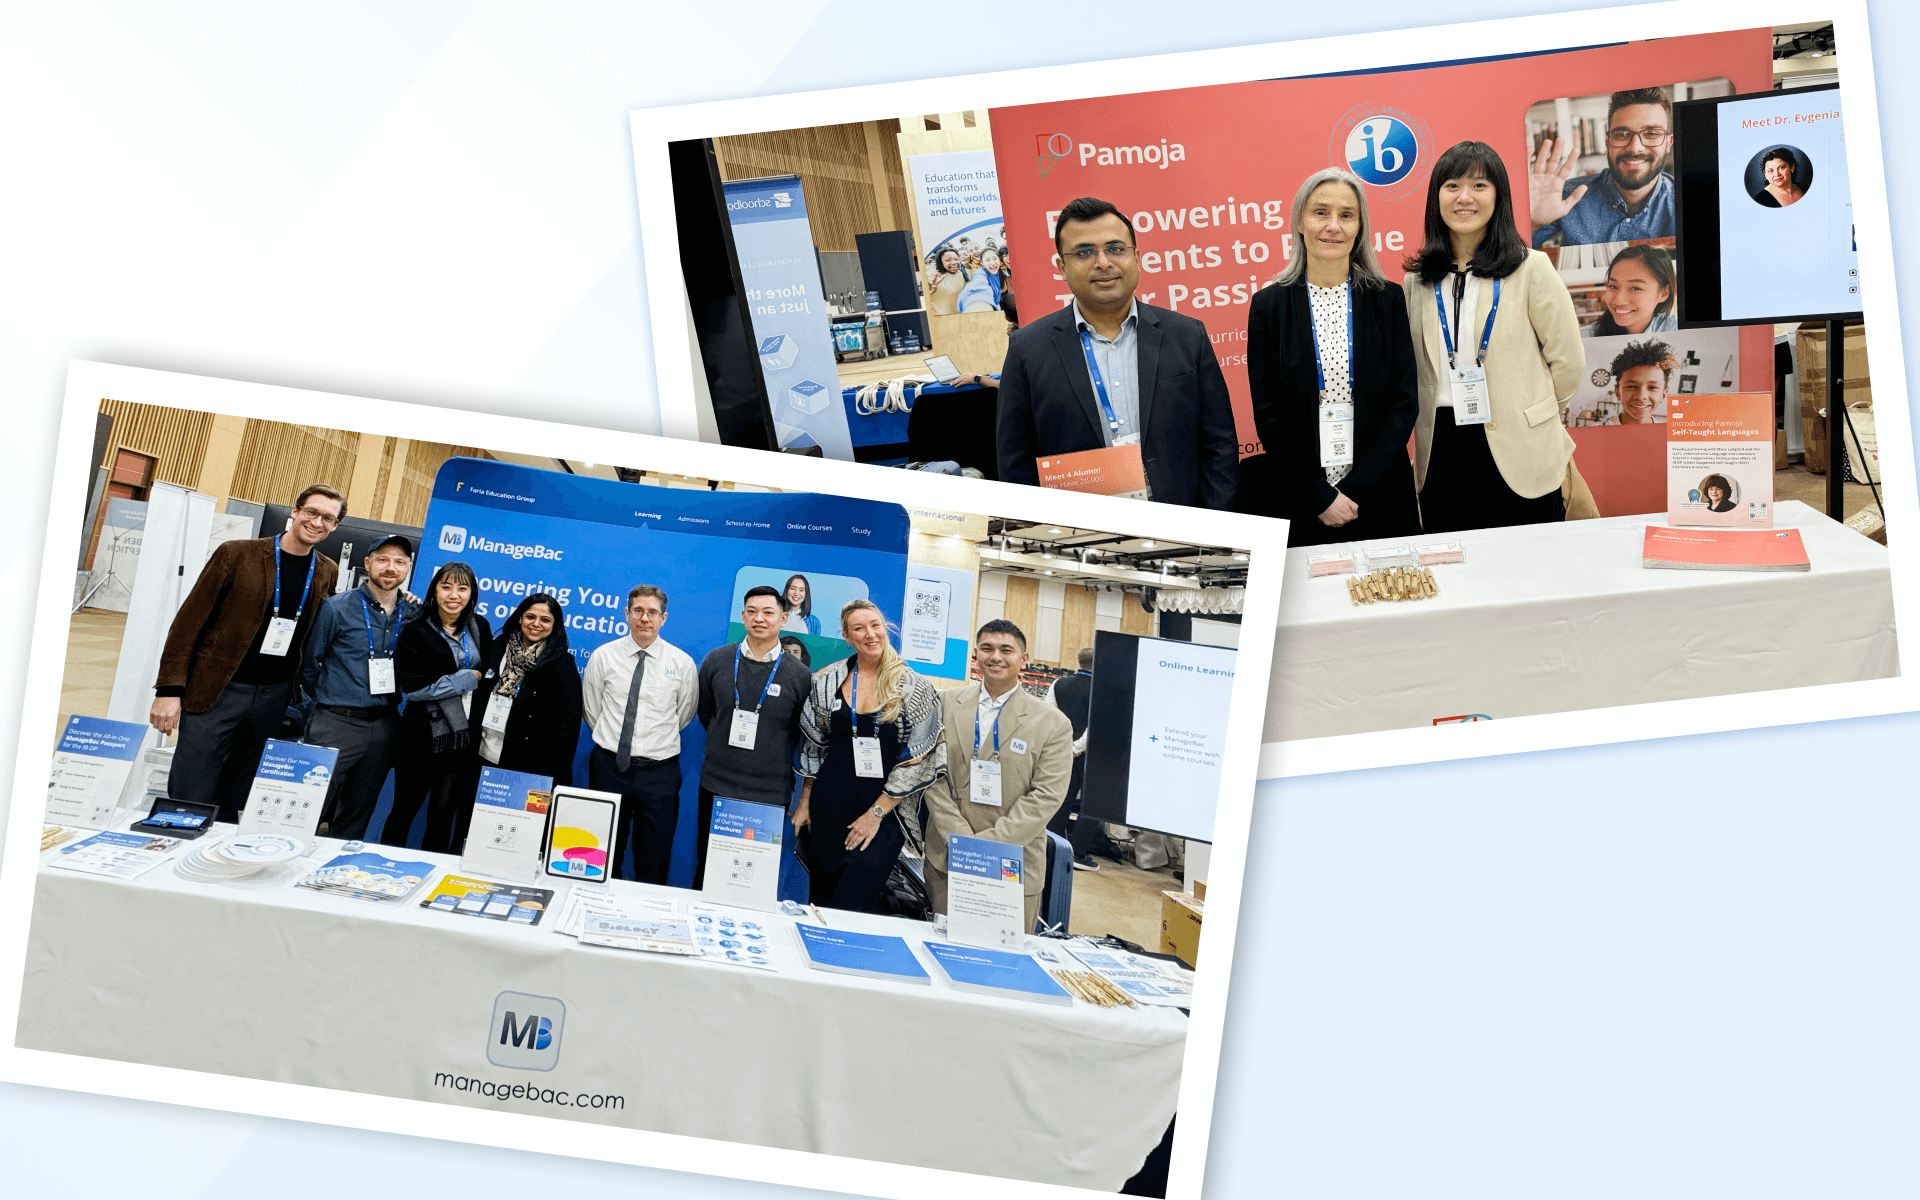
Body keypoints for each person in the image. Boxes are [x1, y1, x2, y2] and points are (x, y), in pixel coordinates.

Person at [996, 196, 1240, 509]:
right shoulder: (1027, 349)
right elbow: (1015, 462)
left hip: (1183, 523)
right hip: (1083, 537)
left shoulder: (1187, 336)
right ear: (1062, 266)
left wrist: (1215, 525)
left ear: (1136, 257)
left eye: (1115, 248)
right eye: (1085, 252)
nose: (1103, 263)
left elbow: (1219, 443)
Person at [1404, 141, 1584, 534]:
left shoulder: (1531, 267)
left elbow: (1568, 362)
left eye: (1479, 185)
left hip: (1520, 444)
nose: (1464, 197)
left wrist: (1531, 410)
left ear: (1498, 196)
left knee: (1533, 571)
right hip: (1443, 449)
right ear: (1437, 197)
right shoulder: (1417, 281)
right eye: (1452, 185)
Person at [1247, 167, 1420, 545]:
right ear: (1299, 222)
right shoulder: (1268, 307)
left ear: (1359, 228)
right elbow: (1269, 413)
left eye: (1346, 215)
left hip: (1380, 494)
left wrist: (1356, 490)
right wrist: (1321, 496)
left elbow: (1403, 402)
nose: (1333, 226)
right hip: (1304, 500)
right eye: (1320, 212)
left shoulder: (1387, 300)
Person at [150, 484, 343, 822]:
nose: (317, 522)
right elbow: (187, 625)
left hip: (274, 697)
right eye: (311, 512)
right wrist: (168, 690)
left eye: (328, 518)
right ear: (294, 512)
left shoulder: (327, 570)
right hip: (218, 691)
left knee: (243, 793)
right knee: (192, 787)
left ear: (335, 526)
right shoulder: (236, 554)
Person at [794, 599, 945, 914]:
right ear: (848, 637)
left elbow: (921, 758)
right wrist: (805, 802)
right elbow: (815, 745)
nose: (870, 634)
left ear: (885, 628)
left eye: (875, 625)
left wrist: (875, 813)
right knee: (820, 902)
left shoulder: (913, 687)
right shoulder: (827, 681)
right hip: (828, 810)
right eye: (859, 629)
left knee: (853, 905)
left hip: (882, 816)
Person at [922, 620, 1073, 932]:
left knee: (1003, 965)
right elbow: (930, 774)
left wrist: (986, 846)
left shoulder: (1053, 724)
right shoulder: (944, 704)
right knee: (945, 947)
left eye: (1007, 650)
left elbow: (1046, 796)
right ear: (975, 655)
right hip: (948, 857)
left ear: (1023, 659)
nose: (996, 657)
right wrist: (959, 840)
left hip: (1013, 861)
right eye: (987, 649)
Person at [693, 586, 813, 888]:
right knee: (707, 872)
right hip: (716, 787)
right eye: (751, 611)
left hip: (769, 796)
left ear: (783, 618)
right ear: (743, 616)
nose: (759, 618)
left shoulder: (800, 676)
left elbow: (802, 733)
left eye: (768, 612)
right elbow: (707, 714)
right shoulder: (716, 661)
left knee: (752, 884)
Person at [299, 533, 414, 841]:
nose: (390, 568)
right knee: (306, 808)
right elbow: (310, 664)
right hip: (335, 722)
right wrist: (329, 701)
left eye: (399, 562)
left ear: (408, 568)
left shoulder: (414, 615)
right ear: (368, 563)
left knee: (358, 813)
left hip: (384, 726)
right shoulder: (335, 608)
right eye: (383, 560)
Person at [581, 585, 698, 884]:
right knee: (601, 854)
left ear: (663, 618)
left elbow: (683, 714)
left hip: (660, 773)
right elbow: (594, 711)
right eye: (638, 611)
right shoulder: (604, 656)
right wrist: (617, 746)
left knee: (654, 860)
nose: (645, 618)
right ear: (627, 614)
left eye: (652, 612)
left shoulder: (681, 663)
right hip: (609, 767)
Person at [383, 561, 491, 852]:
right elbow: (416, 689)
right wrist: (468, 678)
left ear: (472, 593)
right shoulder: (415, 629)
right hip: (419, 738)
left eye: (462, 588)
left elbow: (489, 673)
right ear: (435, 590)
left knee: (442, 819)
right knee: (403, 813)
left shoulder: (478, 627)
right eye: (446, 586)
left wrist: (463, 680)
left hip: (460, 739)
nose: (453, 594)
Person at [1530, 88, 1676, 247]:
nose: (1635, 148)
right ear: (1608, 143)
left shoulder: (1686, 202)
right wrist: (1532, 224)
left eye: (1651, 133)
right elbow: (1506, 258)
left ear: (1668, 143)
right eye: (1621, 134)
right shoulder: (1567, 195)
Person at [471, 593, 582, 786]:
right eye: (531, 617)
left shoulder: (563, 665)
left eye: (545, 620)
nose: (536, 624)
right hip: (484, 756)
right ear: (520, 617)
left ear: (554, 625)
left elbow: (568, 727)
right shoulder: (497, 647)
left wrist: (553, 778)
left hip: (530, 768)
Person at [1046, 646, 1112, 870]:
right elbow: (1097, 723)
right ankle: (1079, 853)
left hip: (1063, 749)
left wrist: (1064, 746)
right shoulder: (1102, 688)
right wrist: (1079, 747)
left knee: (1061, 799)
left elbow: (1050, 715)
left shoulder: (1058, 683)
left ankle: (1051, 847)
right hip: (1093, 754)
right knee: (1091, 805)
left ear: (1079, 661)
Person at [1582, 244, 1677, 338]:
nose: (1618, 301)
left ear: (1663, 293)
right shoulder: (1583, 339)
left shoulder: (1677, 330)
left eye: (1635, 288)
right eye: (1613, 286)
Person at [1610, 338, 1674, 425]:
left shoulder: (1668, 435)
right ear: (1618, 392)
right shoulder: (1595, 432)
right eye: (1631, 387)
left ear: (1663, 394)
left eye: (1652, 387)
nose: (1641, 396)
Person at [957, 245, 1006, 312]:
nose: (992, 263)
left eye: (995, 258)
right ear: (982, 263)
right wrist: (977, 302)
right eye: (987, 260)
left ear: (999, 260)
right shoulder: (981, 273)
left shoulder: (1000, 271)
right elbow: (978, 284)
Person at [926, 247, 969, 316]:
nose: (954, 262)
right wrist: (929, 289)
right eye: (948, 260)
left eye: (956, 259)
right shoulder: (931, 274)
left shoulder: (960, 273)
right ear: (940, 262)